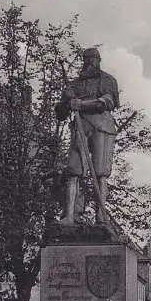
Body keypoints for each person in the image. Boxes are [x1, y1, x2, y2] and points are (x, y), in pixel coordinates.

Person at [55, 47, 120, 224]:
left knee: (101, 172)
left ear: (99, 61)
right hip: (80, 127)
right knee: (73, 171)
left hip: (102, 127)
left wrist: (81, 104)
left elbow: (107, 101)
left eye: (93, 59)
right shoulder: (75, 84)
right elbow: (60, 114)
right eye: (86, 60)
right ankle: (70, 215)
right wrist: (67, 102)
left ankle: (101, 217)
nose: (89, 63)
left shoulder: (107, 80)